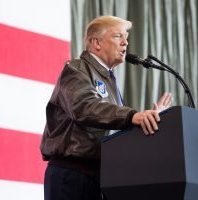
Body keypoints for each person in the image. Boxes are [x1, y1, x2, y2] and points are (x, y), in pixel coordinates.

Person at [40, 15, 173, 200]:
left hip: (100, 178)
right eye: (118, 36)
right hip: (72, 175)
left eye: (126, 37)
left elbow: (114, 125)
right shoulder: (76, 69)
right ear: (96, 43)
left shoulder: (109, 81)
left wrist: (150, 120)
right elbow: (85, 107)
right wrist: (133, 116)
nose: (126, 42)